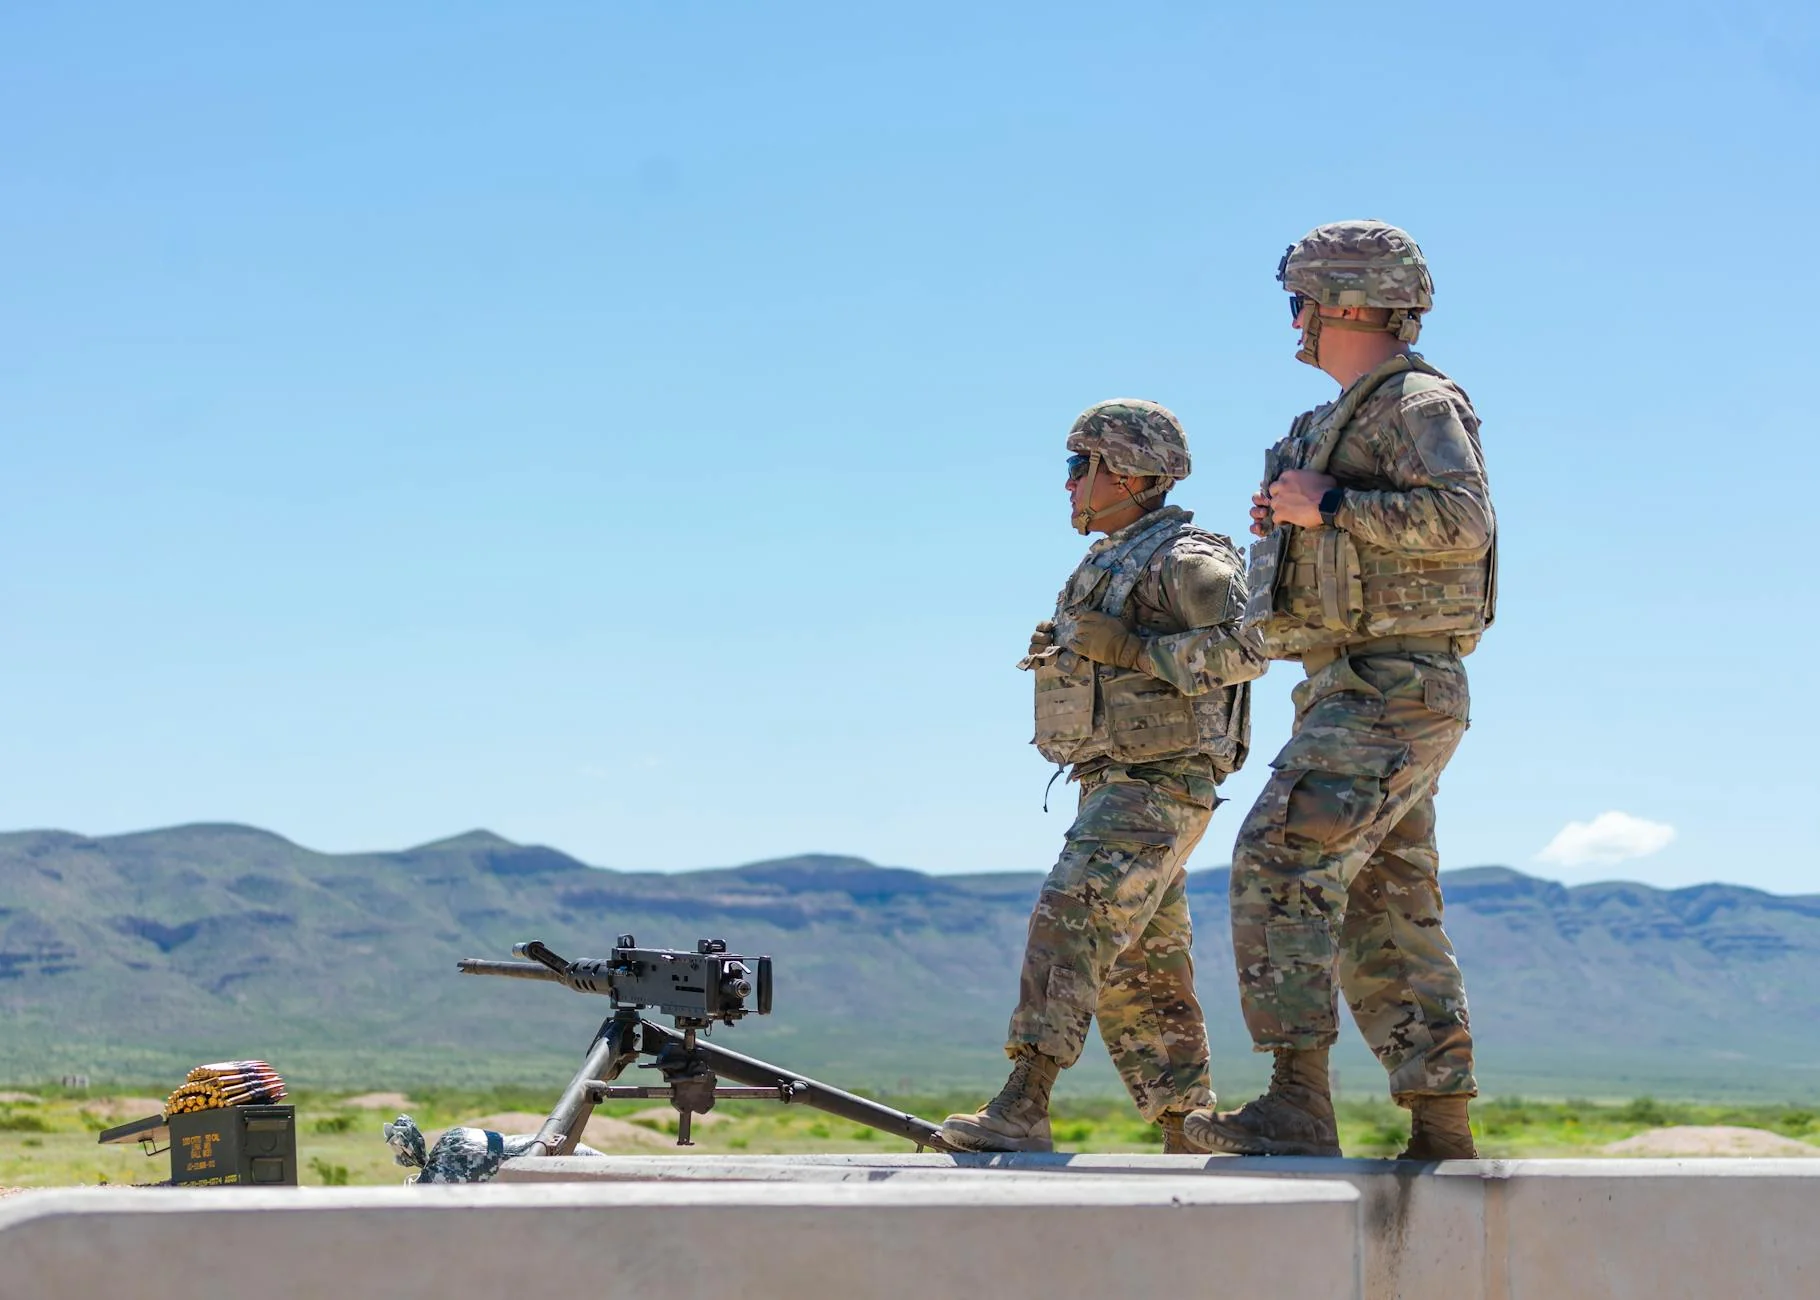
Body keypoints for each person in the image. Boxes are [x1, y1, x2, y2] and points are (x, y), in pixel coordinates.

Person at [1184, 220, 1496, 1161]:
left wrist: (1329, 507)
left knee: (1280, 856)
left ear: (1343, 304)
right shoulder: (1338, 418)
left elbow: (1464, 521)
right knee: (1386, 904)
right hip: (1354, 686)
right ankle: (1440, 1128)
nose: (1297, 324)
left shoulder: (1416, 401)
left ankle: (1296, 1101)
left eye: (1302, 304)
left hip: (1390, 686)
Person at [940, 400, 1264, 1154]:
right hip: (1119, 780)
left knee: (1071, 917)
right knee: (1141, 966)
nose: (1068, 485)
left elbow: (1249, 649)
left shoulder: (1189, 560)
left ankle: (1026, 1100)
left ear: (1126, 471)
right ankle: (1187, 1126)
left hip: (1158, 781)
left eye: (1076, 466)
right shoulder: (1112, 559)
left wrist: (1129, 651)